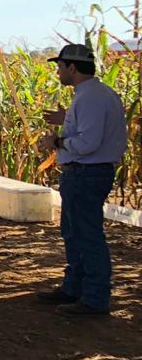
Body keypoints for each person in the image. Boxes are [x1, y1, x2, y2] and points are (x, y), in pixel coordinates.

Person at [35, 43, 128, 318]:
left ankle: (95, 298)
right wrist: (68, 118)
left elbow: (87, 142)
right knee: (75, 233)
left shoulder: (90, 97)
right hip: (85, 173)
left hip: (86, 173)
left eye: (60, 67)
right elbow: (89, 128)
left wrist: (56, 141)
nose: (58, 72)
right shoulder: (93, 94)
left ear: (72, 68)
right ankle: (74, 287)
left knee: (86, 235)